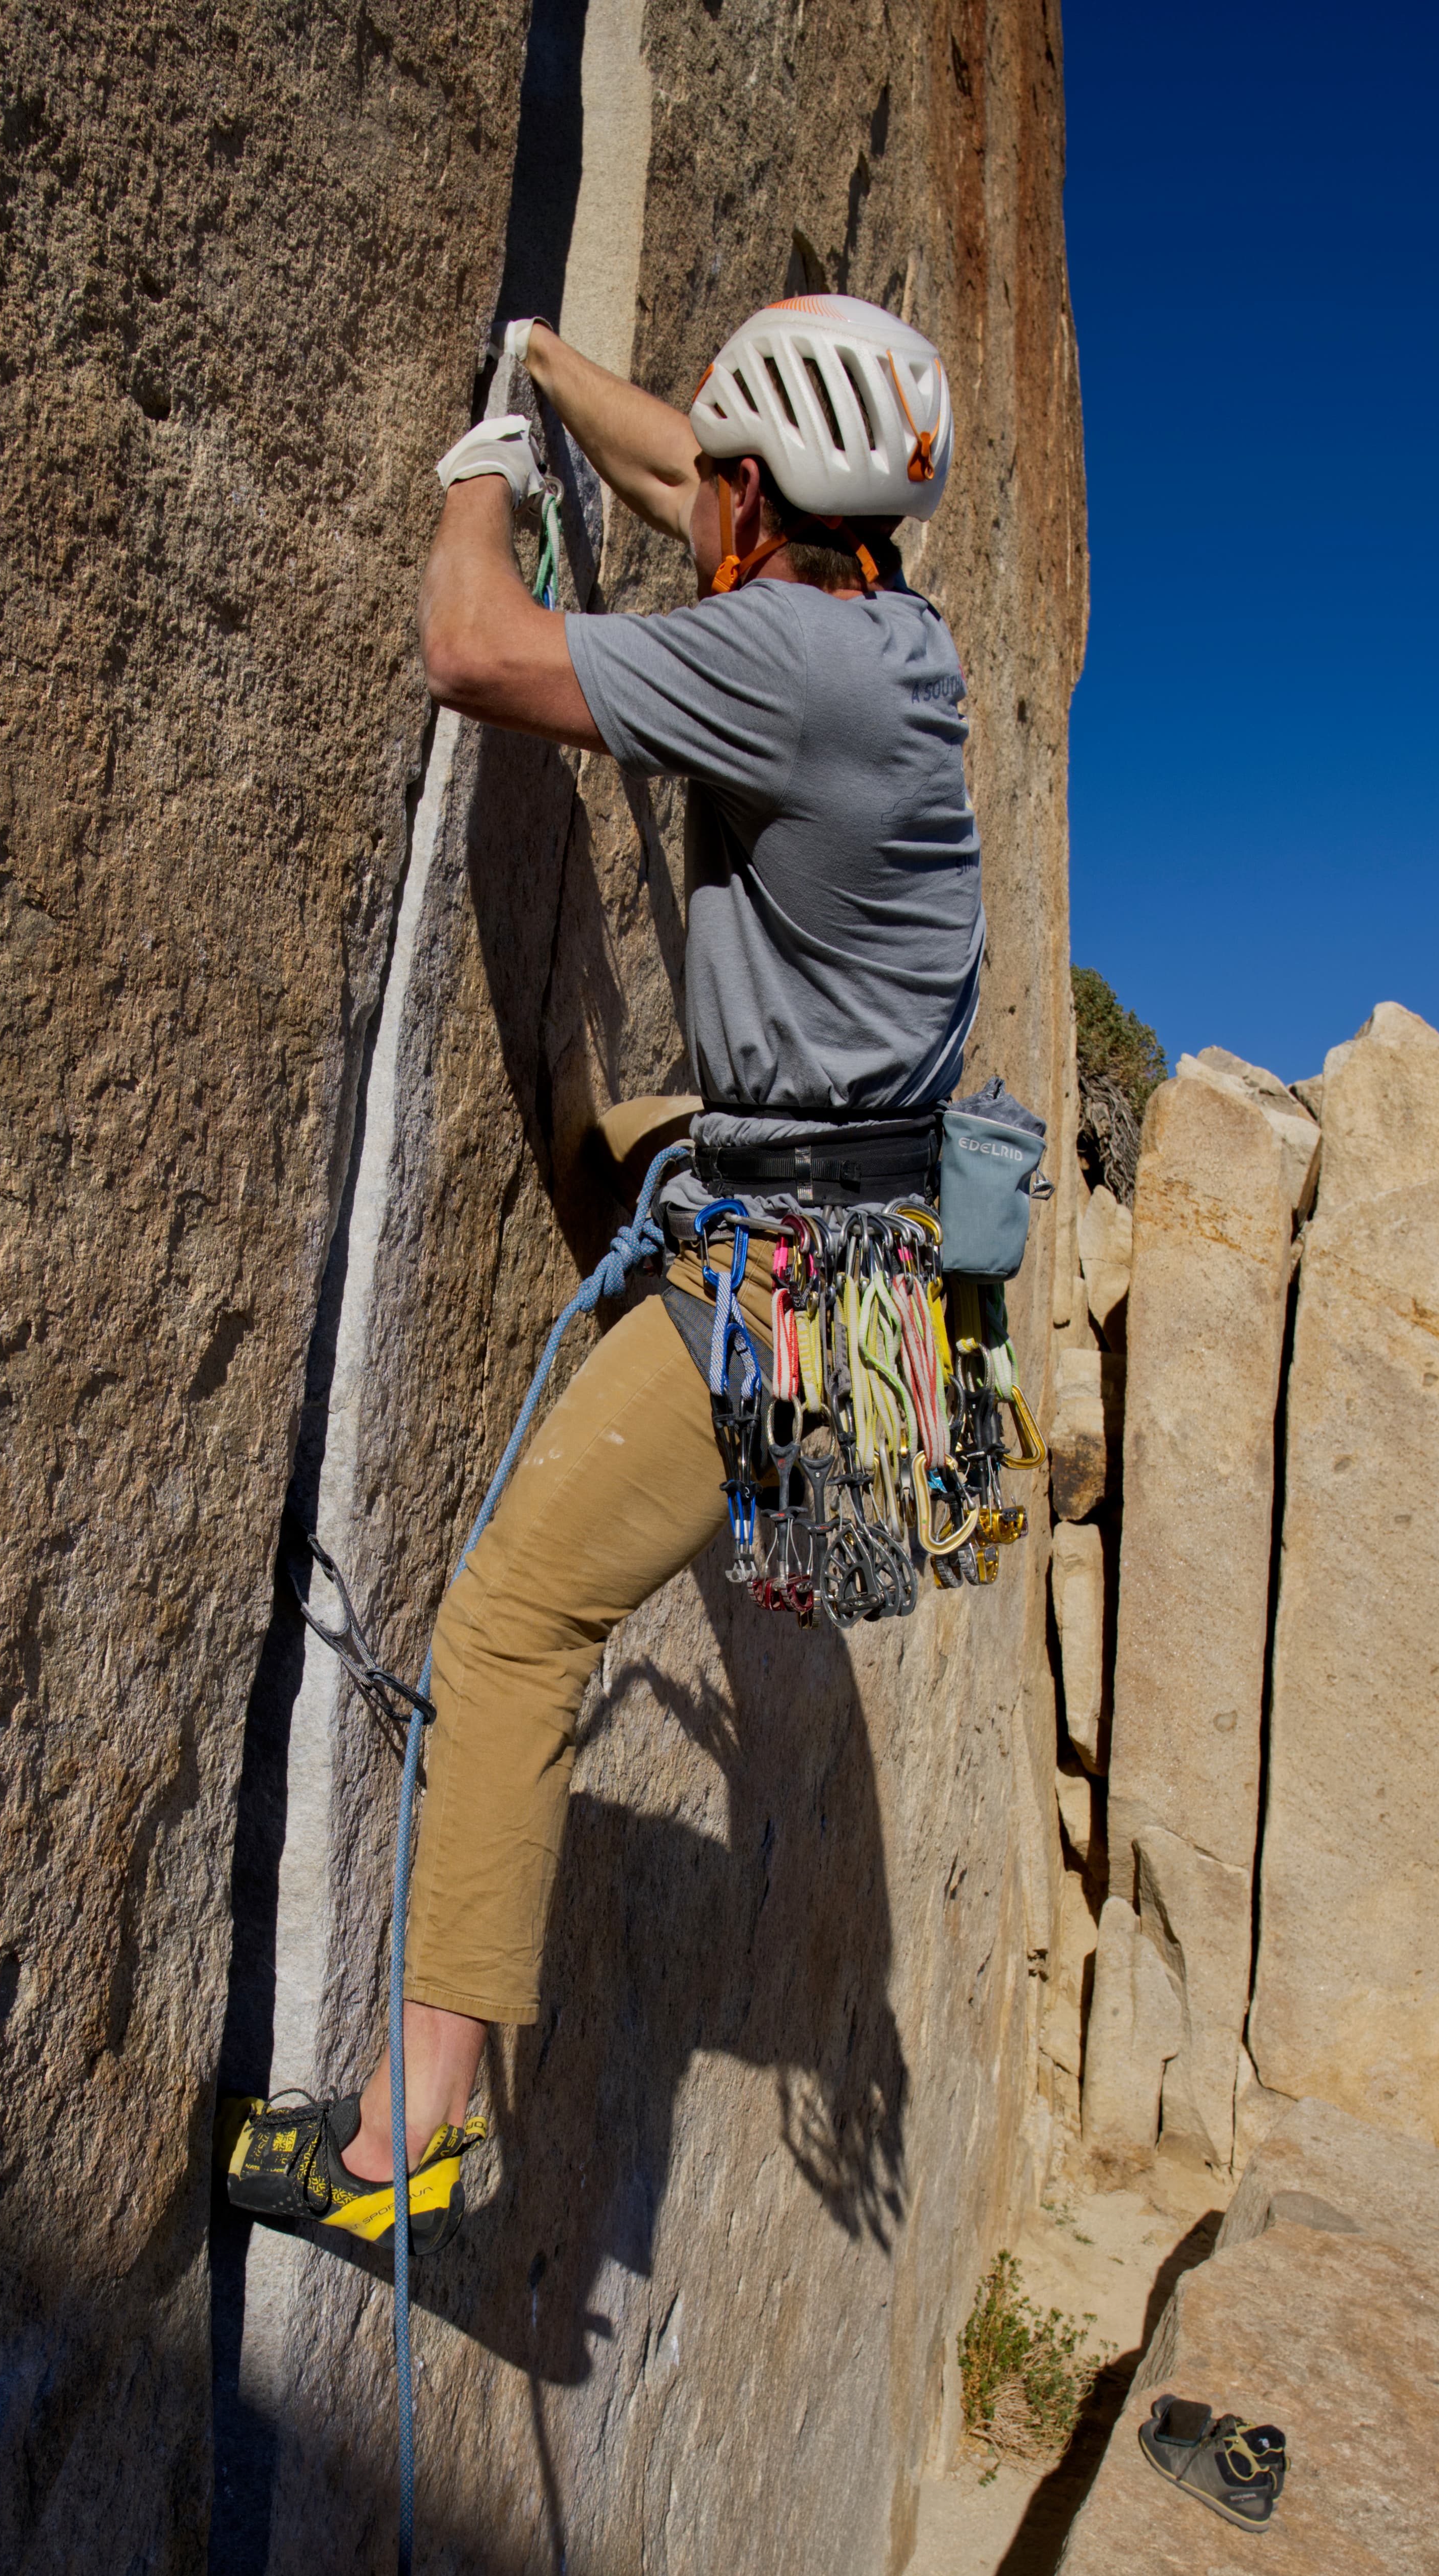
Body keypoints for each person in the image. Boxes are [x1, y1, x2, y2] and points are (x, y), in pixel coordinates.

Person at [217, 295, 984, 2251]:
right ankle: (706, 1373)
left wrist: (478, 487)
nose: (693, 496)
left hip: (789, 1279)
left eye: (715, 479)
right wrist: (553, 372)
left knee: (511, 1629)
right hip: (851, 1231)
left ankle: (415, 2136)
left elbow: (473, 650)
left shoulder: (792, 668)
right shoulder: (890, 630)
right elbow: (676, 475)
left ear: (757, 503)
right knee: (605, 1144)